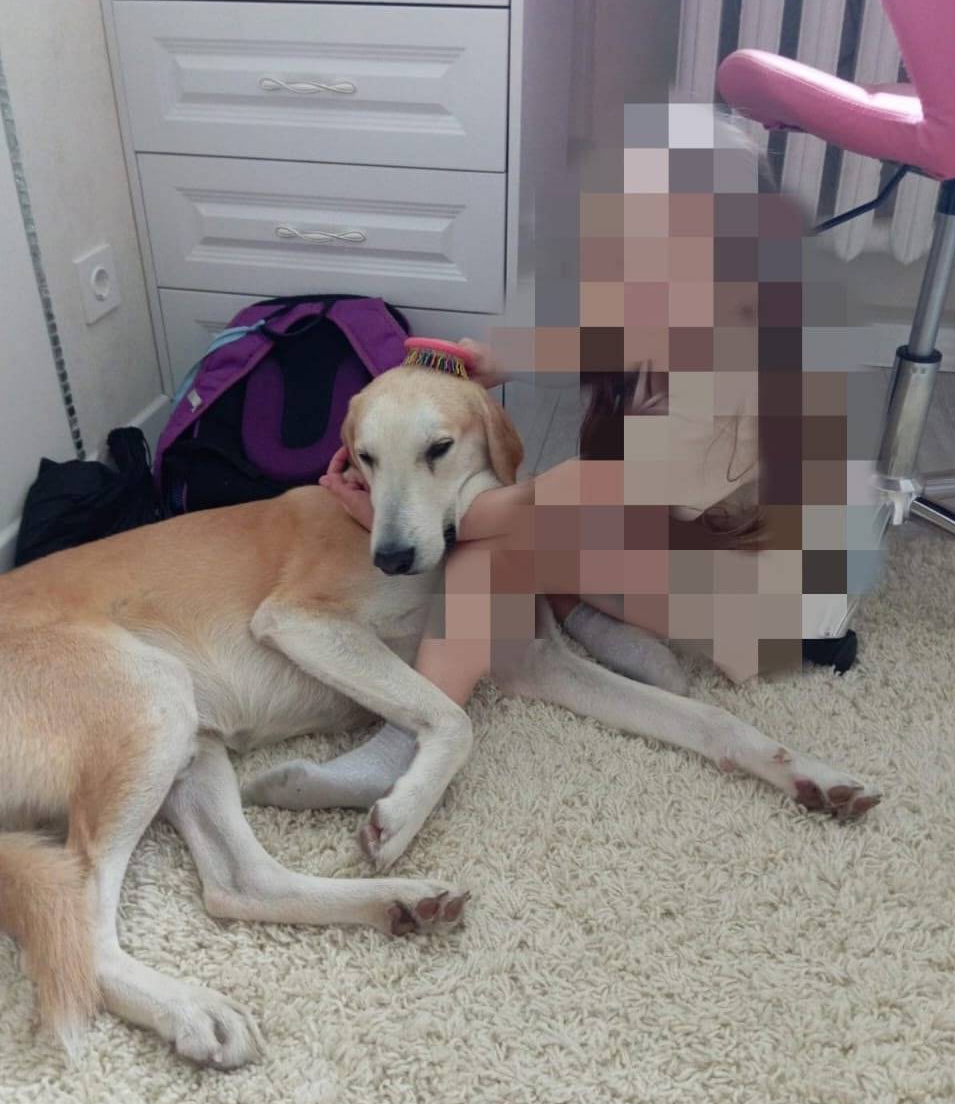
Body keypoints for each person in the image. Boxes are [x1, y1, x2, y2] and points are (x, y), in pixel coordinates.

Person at [247, 113, 831, 813]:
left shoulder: (723, 390)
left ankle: (401, 743)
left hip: (747, 596)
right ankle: (586, 614)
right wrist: (502, 360)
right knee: (528, 535)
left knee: (490, 548)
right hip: (677, 530)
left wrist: (387, 514)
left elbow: (532, 507)